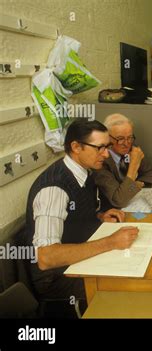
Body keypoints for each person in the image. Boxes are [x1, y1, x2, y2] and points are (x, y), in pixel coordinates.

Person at [22, 120, 139, 302]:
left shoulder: (84, 172)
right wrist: (111, 242)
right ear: (76, 147)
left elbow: (72, 218)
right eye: (99, 148)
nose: (106, 154)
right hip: (59, 279)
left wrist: (98, 217)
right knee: (129, 289)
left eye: (107, 147)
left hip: (79, 261)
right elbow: (46, 257)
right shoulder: (53, 189)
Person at [95, 114, 152, 208]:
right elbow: (119, 200)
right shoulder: (100, 160)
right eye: (120, 139)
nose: (126, 144)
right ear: (107, 138)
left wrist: (134, 185)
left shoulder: (131, 147)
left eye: (130, 137)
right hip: (109, 211)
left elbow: (151, 173)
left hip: (131, 204)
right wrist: (134, 166)